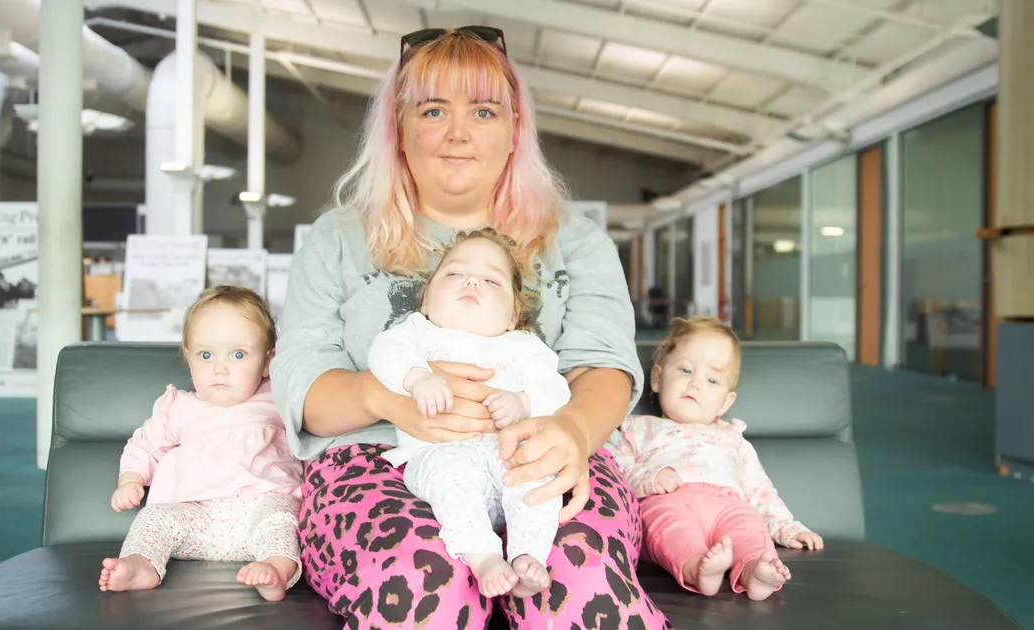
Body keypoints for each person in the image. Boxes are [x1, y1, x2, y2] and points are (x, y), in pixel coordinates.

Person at [272, 25, 670, 629]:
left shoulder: (577, 241)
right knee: (421, 582)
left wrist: (571, 429)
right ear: (399, 127)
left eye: (483, 111)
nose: (458, 132)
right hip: (380, 460)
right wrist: (386, 398)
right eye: (433, 110)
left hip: (543, 451)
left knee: (579, 583)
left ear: (514, 129)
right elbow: (302, 383)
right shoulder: (338, 238)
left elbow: (604, 364)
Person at [367, 228, 570, 598]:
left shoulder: (523, 345)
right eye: (455, 273)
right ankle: (483, 556)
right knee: (451, 477)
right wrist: (417, 378)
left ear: (513, 315)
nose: (472, 282)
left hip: (507, 453)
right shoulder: (417, 331)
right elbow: (384, 352)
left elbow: (555, 387)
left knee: (538, 476)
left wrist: (524, 401)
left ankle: (528, 554)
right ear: (426, 300)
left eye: (491, 280)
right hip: (438, 454)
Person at [98, 286, 304, 602]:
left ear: (267, 361)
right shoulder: (177, 407)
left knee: (281, 518)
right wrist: (130, 479)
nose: (219, 369)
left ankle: (276, 568)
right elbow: (144, 446)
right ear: (189, 358)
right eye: (205, 355)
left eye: (238, 354)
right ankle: (142, 565)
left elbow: (312, 441)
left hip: (261, 507)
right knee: (153, 519)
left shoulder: (279, 399)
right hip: (197, 518)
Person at [608, 315, 824, 601]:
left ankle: (754, 570)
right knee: (667, 527)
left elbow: (760, 490)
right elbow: (615, 469)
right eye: (686, 370)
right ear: (658, 378)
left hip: (727, 505)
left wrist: (787, 528)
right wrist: (649, 478)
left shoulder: (733, 438)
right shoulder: (638, 428)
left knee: (749, 526)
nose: (695, 384)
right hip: (668, 500)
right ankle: (695, 567)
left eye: (711, 380)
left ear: (725, 402)